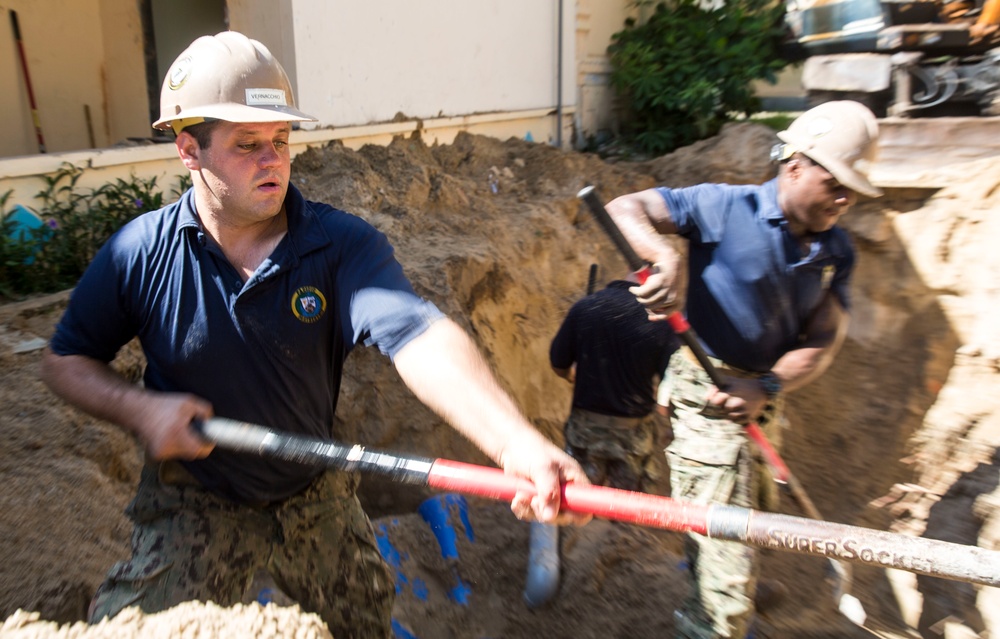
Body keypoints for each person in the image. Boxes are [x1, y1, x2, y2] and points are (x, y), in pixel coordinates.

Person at [39, 31, 589, 638]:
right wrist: (139, 409)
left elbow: (418, 335)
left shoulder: (338, 246)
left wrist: (516, 445)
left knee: (363, 624)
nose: (272, 159)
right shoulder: (137, 254)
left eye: (280, 140)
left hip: (312, 491)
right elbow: (66, 360)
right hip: (196, 500)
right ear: (189, 150)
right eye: (247, 145)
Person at [603, 101, 881, 639]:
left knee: (752, 515)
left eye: (854, 190)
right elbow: (624, 207)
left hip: (763, 396)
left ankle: (736, 589)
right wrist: (664, 256)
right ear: (795, 165)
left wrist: (768, 385)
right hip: (707, 391)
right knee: (719, 555)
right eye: (836, 184)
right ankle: (718, 615)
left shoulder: (835, 249)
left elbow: (824, 338)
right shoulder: (721, 207)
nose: (846, 200)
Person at [549, 271, 679, 493]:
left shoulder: (585, 307)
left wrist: (572, 374)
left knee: (581, 493)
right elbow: (673, 380)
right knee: (627, 501)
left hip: (586, 427)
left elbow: (558, 361)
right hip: (634, 432)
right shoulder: (660, 319)